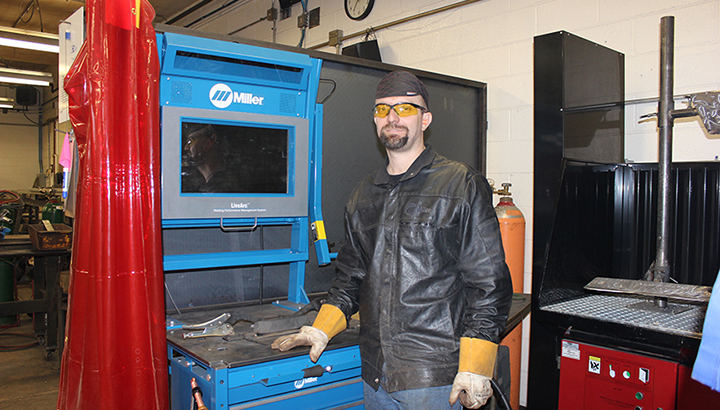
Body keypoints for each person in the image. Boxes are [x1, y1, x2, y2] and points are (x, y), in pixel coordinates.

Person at [272, 71, 512, 410]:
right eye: (383, 110)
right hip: (375, 374)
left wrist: (476, 364)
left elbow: (489, 284)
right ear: (375, 119)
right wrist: (320, 329)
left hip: (434, 377)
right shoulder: (363, 194)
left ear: (425, 119)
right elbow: (351, 278)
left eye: (405, 109)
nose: (393, 118)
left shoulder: (460, 185)